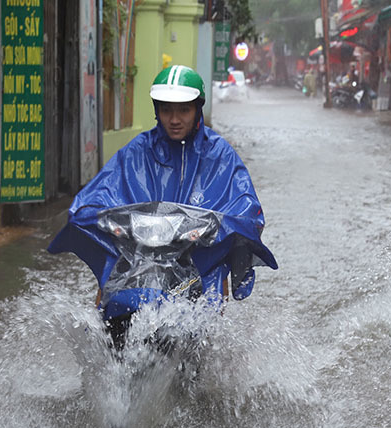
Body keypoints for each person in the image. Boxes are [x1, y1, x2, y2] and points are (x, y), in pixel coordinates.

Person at [52, 64, 267, 301]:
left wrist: (225, 226)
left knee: (215, 273)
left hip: (198, 256)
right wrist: (99, 216)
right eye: (166, 110)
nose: (174, 120)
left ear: (197, 109)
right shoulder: (137, 150)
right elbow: (99, 193)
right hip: (139, 255)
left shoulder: (220, 155)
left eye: (184, 110)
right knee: (108, 285)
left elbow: (245, 205)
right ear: (157, 110)